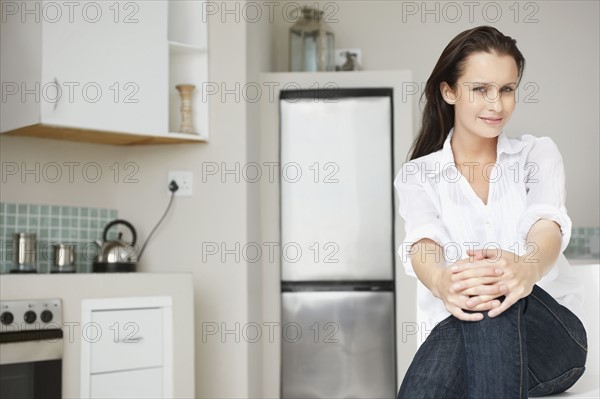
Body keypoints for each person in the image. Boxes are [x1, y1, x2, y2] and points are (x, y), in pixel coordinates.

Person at [394, 26, 587, 398]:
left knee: (492, 280)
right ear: (449, 91)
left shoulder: (537, 154)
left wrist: (525, 269)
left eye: (507, 89)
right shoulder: (418, 174)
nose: (496, 105)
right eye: (481, 89)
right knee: (484, 284)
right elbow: (423, 242)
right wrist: (440, 281)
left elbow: (546, 226)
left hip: (551, 347)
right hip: (467, 347)